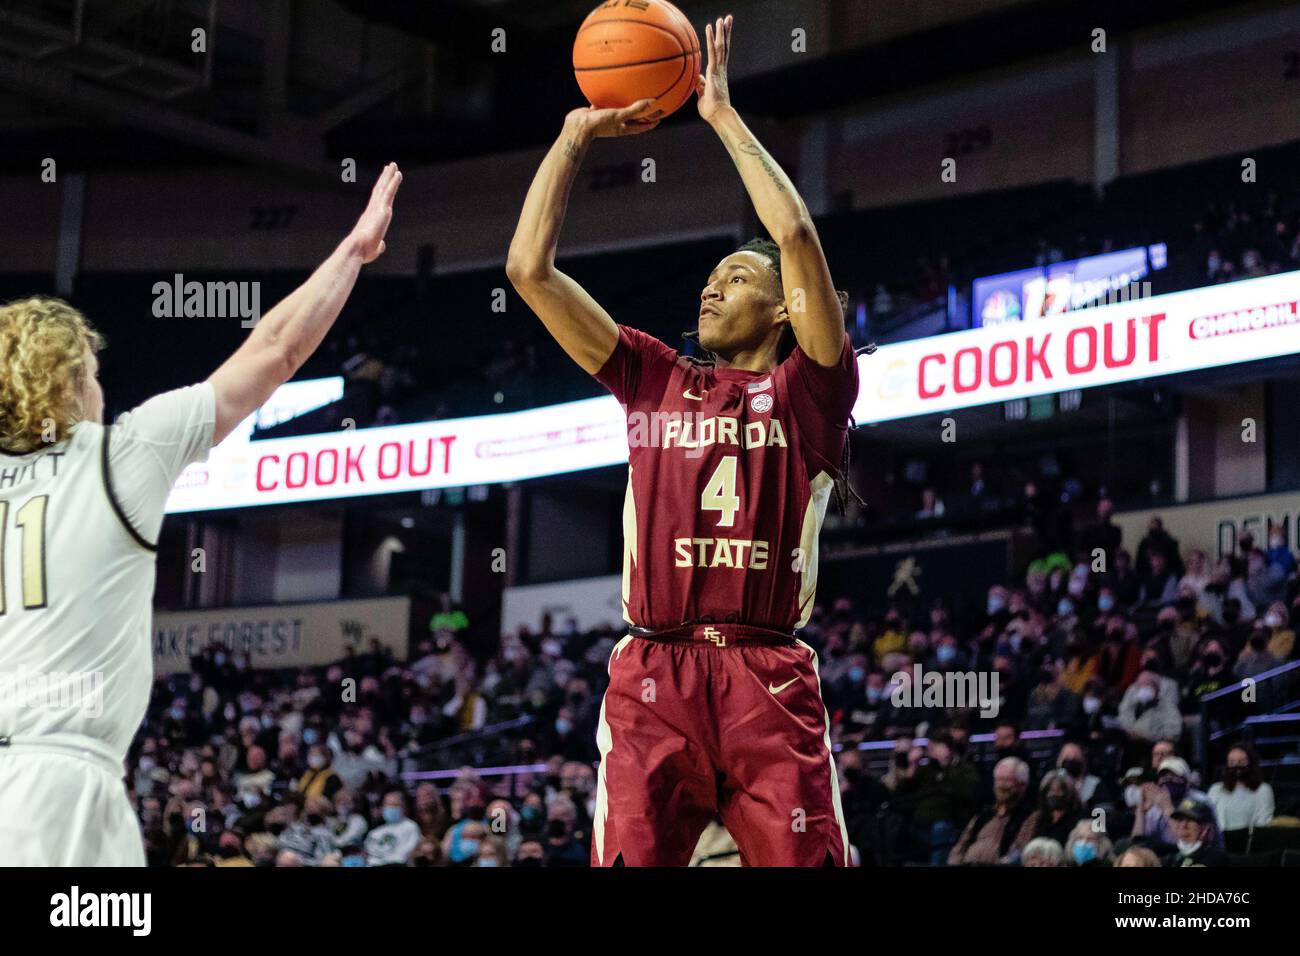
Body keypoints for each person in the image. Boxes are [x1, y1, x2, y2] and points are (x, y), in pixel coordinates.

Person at [508, 15, 858, 867]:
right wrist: (570, 138)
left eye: (735, 279)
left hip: (766, 678)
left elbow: (799, 238)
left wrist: (724, 119)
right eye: (708, 280)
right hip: (653, 675)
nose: (711, 290)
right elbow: (528, 271)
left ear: (782, 310)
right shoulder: (652, 375)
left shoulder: (808, 391)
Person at [0, 164, 401, 866]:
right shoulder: (118, 453)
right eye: (92, 374)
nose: (101, 388)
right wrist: (351, 253)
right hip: (58, 787)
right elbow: (276, 350)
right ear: (67, 380)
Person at [948, 757, 1040, 866]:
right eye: (998, 780)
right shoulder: (984, 815)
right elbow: (961, 844)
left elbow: (1020, 851)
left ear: (1022, 785)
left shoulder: (1030, 816)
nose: (1000, 785)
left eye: (1007, 780)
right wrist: (955, 861)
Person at [1206, 744, 1274, 834]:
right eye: (1232, 762)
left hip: (1251, 843)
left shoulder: (1263, 790)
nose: (1237, 765)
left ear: (1251, 763)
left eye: (1242, 761)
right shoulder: (1215, 790)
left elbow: (1264, 822)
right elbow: (1209, 820)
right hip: (1222, 843)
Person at [1164, 797, 1228, 867]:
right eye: (1180, 819)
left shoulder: (1214, 858)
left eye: (1191, 820)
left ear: (1205, 828)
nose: (1183, 825)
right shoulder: (1167, 854)